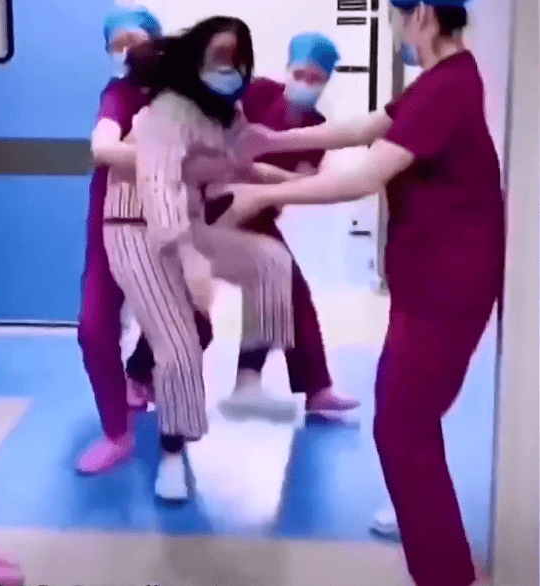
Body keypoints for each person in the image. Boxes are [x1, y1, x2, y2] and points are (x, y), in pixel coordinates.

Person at [223, 1, 504, 584]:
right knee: (406, 422)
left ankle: (447, 571)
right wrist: (272, 137)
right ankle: (439, 543)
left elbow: (363, 176)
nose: (396, 28)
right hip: (429, 280)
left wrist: (261, 195)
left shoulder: (448, 86)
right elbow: (365, 127)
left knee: (401, 427)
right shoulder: (442, 82)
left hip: (447, 285)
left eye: (398, 16)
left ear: (422, 14)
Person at [103, 16, 296, 501]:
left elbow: (242, 162)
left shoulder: (225, 113)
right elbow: (159, 185)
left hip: (186, 223)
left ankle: (248, 383)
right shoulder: (166, 110)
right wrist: (189, 256)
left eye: (238, 59)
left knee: (271, 262)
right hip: (135, 229)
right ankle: (172, 453)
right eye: (220, 57)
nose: (230, 69)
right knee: (179, 343)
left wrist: (297, 183)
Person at [76, 4, 212, 475]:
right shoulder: (118, 94)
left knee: (195, 328)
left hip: (172, 225)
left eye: (133, 42)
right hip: (113, 226)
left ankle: (140, 374)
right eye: (115, 45)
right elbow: (103, 148)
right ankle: (117, 434)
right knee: (95, 330)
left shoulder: (188, 97)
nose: (125, 52)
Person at [217, 32, 361, 422]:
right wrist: (271, 176)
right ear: (286, 70)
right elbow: (224, 149)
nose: (305, 84)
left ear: (327, 81)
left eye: (316, 79)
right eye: (300, 74)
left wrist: (261, 174)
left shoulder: (316, 128)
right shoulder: (256, 93)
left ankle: (308, 388)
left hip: (258, 214)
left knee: (286, 289)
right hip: (214, 203)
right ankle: (141, 376)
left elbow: (304, 184)